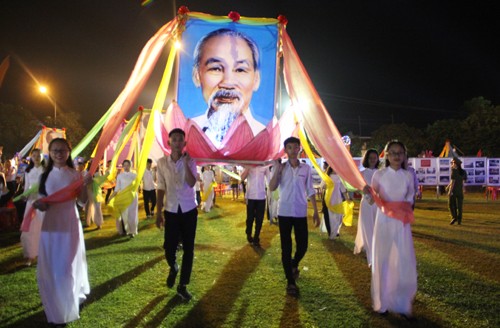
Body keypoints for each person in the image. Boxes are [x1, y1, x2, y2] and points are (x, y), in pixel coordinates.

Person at [32, 138, 91, 326]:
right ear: (50, 152)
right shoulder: (44, 176)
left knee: (66, 267)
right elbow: (42, 202)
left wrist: (85, 184)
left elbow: (82, 202)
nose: (59, 153)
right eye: (55, 150)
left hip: (69, 223)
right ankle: (56, 306)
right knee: (52, 268)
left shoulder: (75, 175)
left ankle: (67, 306)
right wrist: (40, 205)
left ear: (68, 152)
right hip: (50, 226)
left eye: (62, 150)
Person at [190, 28, 265, 147]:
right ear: (196, 76)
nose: (228, 83)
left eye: (240, 70)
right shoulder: (185, 135)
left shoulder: (266, 137)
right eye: (216, 68)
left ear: (256, 79)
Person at [367, 140, 417, 319]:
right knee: (383, 259)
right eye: (393, 153)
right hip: (384, 221)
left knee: (404, 260)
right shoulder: (379, 175)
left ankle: (402, 303)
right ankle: (382, 303)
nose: (397, 156)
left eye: (400, 153)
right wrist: (368, 193)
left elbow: (410, 197)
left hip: (401, 222)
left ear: (404, 156)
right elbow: (372, 198)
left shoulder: (408, 175)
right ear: (386, 155)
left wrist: (402, 208)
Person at [269, 137, 320, 297]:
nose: (292, 150)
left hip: (300, 212)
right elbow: (271, 187)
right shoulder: (281, 167)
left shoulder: (305, 168)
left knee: (303, 245)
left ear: (299, 149)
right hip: (284, 212)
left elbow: (310, 190)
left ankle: (293, 264)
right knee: (286, 247)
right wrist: (277, 168)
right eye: (289, 147)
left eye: (295, 147)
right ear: (286, 150)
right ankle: (290, 282)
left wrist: (316, 211)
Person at [155, 128, 198, 301]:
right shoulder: (161, 163)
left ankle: (183, 285)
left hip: (188, 210)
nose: (178, 142)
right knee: (169, 247)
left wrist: (187, 163)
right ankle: (173, 267)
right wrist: (158, 213)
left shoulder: (191, 161)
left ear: (185, 143)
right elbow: (160, 188)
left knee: (189, 248)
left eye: (181, 140)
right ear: (169, 142)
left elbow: (192, 182)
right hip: (171, 210)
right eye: (175, 139)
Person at [353, 149, 380, 267]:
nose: (373, 160)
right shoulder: (362, 173)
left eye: (375, 157)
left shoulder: (381, 172)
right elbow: (355, 186)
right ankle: (371, 258)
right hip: (367, 204)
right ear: (366, 159)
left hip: (379, 205)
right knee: (368, 229)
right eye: (371, 158)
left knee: (377, 231)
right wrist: (362, 189)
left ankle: (377, 255)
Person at [19, 148, 46, 266]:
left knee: (43, 228)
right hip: (31, 202)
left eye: (38, 155)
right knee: (30, 228)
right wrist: (25, 196)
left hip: (42, 202)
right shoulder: (28, 171)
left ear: (42, 157)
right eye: (34, 155)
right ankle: (30, 255)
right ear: (31, 157)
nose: (36, 157)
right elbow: (27, 187)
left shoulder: (45, 170)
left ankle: (43, 253)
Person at [240, 165, 270, 247]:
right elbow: (242, 178)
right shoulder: (249, 164)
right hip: (250, 196)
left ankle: (256, 237)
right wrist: (248, 167)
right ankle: (249, 233)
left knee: (259, 219)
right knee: (250, 218)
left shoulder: (265, 165)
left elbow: (269, 179)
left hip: (261, 196)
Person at [321, 165, 350, 240]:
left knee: (339, 216)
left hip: (338, 198)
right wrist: (325, 185)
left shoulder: (340, 177)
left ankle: (336, 230)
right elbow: (322, 186)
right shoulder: (327, 176)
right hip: (329, 199)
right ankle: (332, 234)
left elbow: (343, 189)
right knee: (331, 216)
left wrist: (347, 199)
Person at [111, 159, 138, 237]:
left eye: (128, 165)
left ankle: (133, 231)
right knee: (125, 214)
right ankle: (127, 230)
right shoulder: (120, 176)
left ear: (131, 166)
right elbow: (117, 188)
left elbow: (137, 185)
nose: (126, 167)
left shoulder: (134, 175)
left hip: (132, 197)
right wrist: (111, 197)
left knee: (132, 214)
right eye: (124, 165)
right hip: (123, 198)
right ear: (122, 166)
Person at [85, 161, 104, 229]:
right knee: (89, 207)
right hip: (90, 191)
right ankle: (88, 221)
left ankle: (98, 223)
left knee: (97, 208)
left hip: (96, 193)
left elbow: (101, 183)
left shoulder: (98, 174)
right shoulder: (87, 174)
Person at [448, 157, 467, 225]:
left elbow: (453, 181)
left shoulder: (454, 171)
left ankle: (454, 217)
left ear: (455, 164)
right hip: (460, 191)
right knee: (460, 206)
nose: (452, 164)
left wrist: (450, 191)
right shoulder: (463, 172)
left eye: (452, 163)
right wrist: (463, 189)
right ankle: (459, 220)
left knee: (451, 204)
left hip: (454, 191)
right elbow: (463, 182)